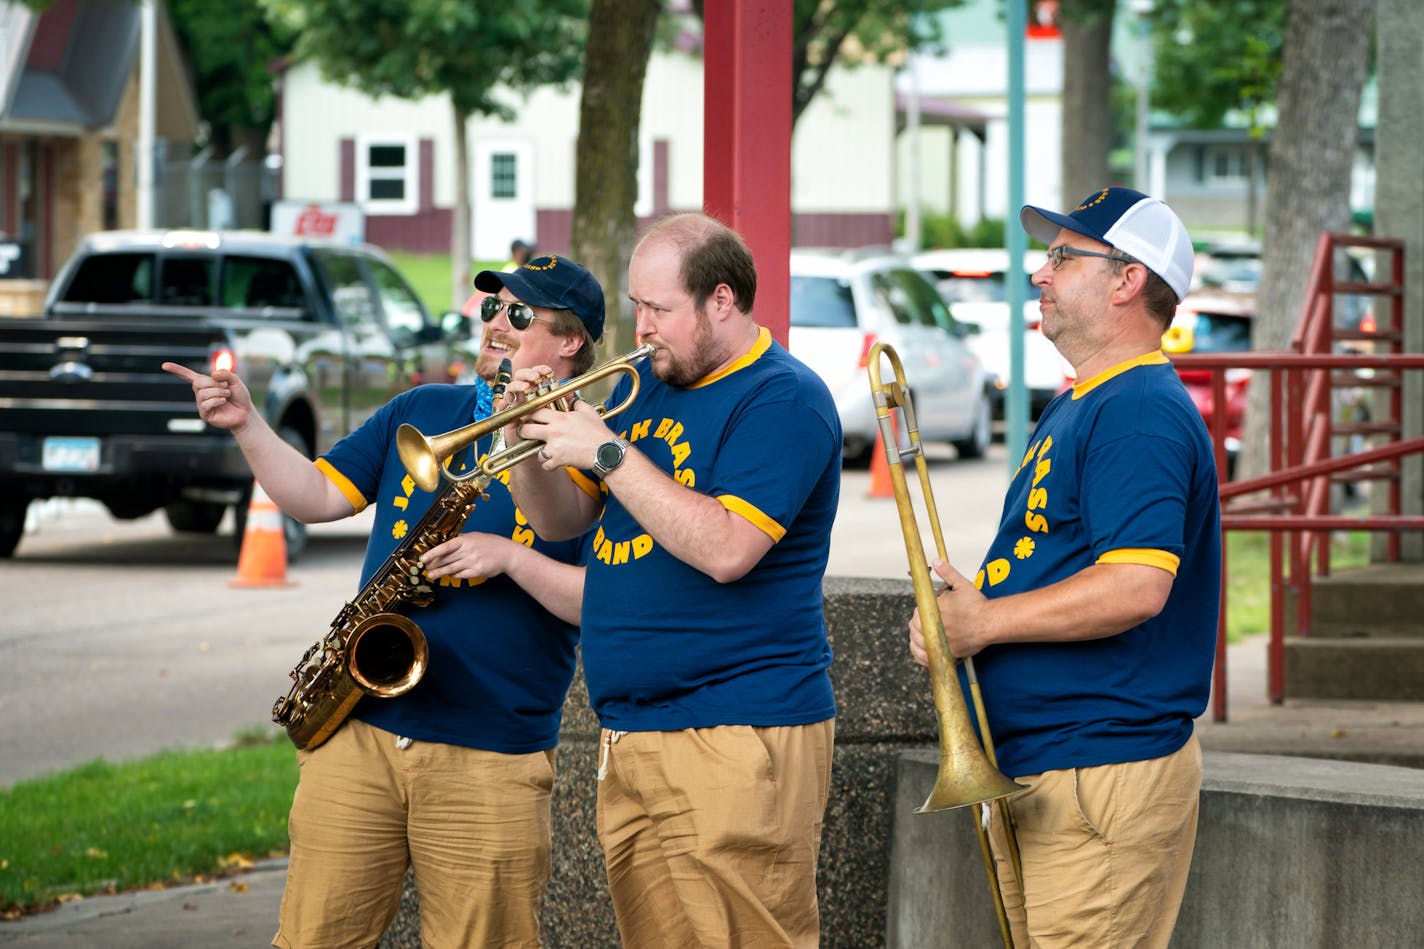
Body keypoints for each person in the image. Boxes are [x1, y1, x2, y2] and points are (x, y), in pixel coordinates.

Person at [162, 253, 606, 947]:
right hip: (361, 730)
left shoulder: (599, 447)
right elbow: (315, 495)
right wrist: (249, 425)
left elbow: (601, 601)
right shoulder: (424, 409)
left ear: (571, 341)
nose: (496, 325)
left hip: (488, 751)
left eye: (520, 315)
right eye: (491, 307)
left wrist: (512, 557)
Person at [503, 213, 842, 948]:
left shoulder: (783, 397)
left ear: (721, 300)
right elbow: (562, 522)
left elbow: (727, 547)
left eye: (658, 309)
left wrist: (607, 451)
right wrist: (521, 440)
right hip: (634, 733)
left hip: (736, 727)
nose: (641, 326)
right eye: (635, 306)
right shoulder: (646, 386)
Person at [908, 187, 1220, 948]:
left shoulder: (1138, 408)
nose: (1040, 275)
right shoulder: (1089, 400)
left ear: (1127, 280)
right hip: (1058, 768)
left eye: (1061, 257)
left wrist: (985, 621)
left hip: (1099, 770)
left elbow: (1137, 584)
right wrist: (969, 608)